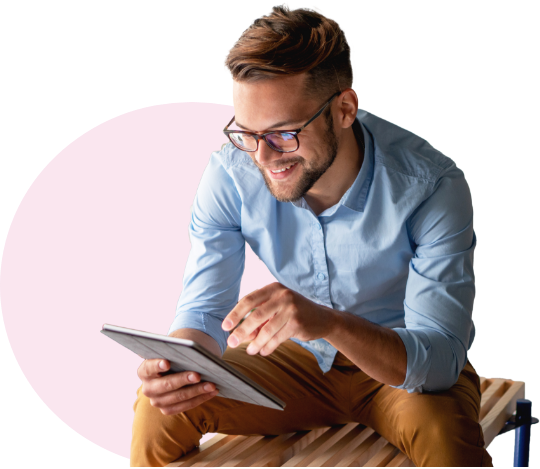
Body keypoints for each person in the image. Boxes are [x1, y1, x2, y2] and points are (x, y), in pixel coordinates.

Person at [130, 3, 492, 467]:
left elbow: (439, 361)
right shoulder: (229, 174)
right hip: (296, 363)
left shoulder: (432, 186)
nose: (262, 156)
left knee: (446, 439)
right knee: (159, 411)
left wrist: (328, 322)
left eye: (284, 133)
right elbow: (202, 311)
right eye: (246, 133)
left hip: (397, 365)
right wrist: (179, 365)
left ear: (344, 109)